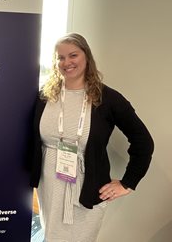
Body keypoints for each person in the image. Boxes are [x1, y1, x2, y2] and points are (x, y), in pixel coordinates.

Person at [30, 33, 154, 241]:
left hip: (85, 190)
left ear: (86, 56)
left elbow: (143, 142)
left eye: (73, 55)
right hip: (49, 186)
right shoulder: (45, 96)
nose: (66, 62)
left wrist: (127, 183)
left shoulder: (108, 99)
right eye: (60, 57)